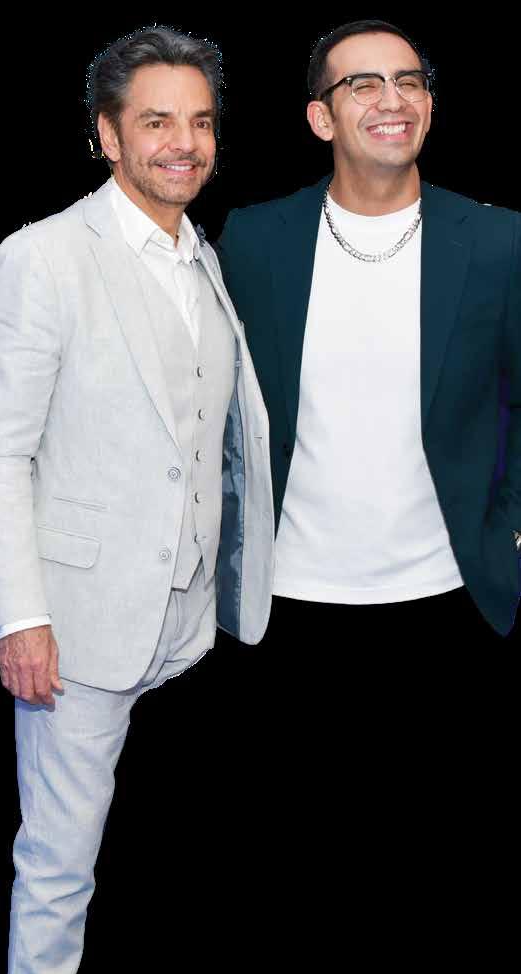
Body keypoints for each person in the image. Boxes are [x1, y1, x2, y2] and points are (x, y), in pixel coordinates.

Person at [0, 25, 273, 974]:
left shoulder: (202, 256)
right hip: (82, 618)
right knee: (58, 862)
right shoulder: (44, 257)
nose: (183, 142)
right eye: (156, 121)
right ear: (106, 135)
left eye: (199, 121)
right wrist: (20, 616)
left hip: (186, 615)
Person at [216, 18, 520, 758]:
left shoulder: (498, 241)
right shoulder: (252, 240)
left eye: (408, 81)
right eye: (363, 84)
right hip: (283, 599)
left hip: (454, 593)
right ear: (320, 118)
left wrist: (512, 528)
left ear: (428, 107)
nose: (393, 99)